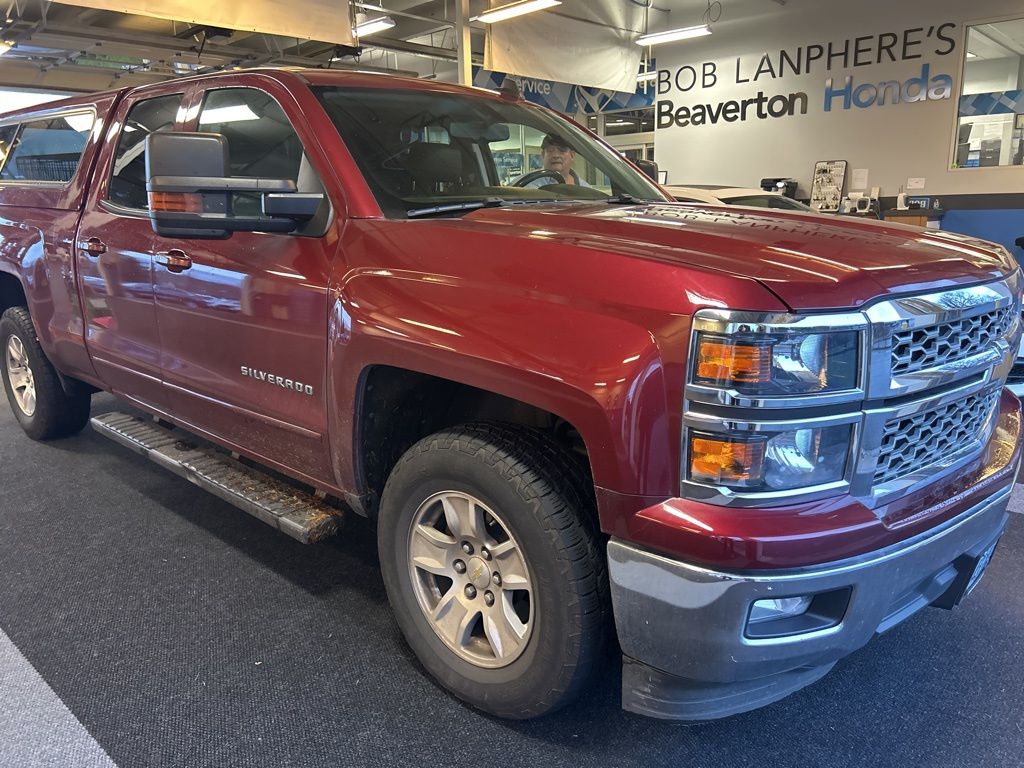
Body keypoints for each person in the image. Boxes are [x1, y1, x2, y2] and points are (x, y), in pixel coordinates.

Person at [524, 133, 590, 187]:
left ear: (572, 155)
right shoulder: (527, 184)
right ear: (543, 155)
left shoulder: (585, 188)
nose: (555, 155)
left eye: (562, 150)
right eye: (550, 150)